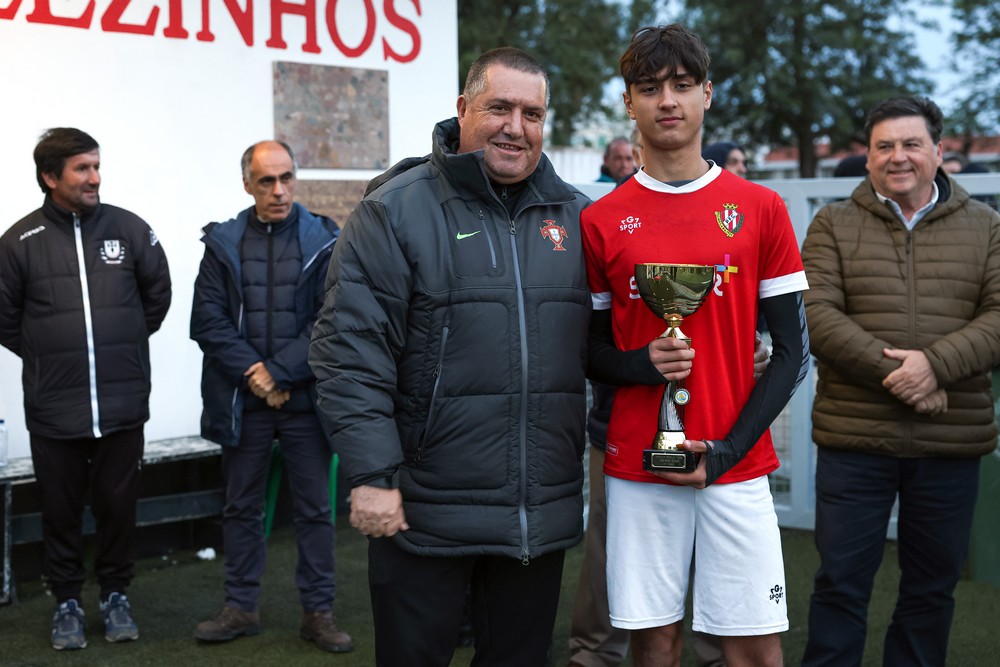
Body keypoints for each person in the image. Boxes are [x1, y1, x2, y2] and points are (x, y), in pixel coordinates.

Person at [307, 47, 678, 667]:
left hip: (536, 511)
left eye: (532, 113)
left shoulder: (576, 216)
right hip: (423, 508)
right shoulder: (393, 210)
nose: (515, 126)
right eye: (499, 107)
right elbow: (350, 354)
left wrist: (656, 359)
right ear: (463, 109)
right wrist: (373, 474)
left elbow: (594, 345)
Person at [580, 24, 810, 667]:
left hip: (736, 462)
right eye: (650, 89)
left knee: (754, 647)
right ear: (629, 103)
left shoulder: (760, 208)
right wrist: (641, 365)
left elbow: (793, 351)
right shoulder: (599, 220)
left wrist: (730, 451)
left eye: (682, 85)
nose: (668, 101)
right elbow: (590, 352)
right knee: (654, 640)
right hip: (640, 463)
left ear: (707, 94)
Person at [800, 96, 1000, 667]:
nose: (898, 156)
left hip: (951, 444)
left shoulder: (988, 228)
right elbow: (816, 315)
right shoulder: (833, 223)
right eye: (884, 145)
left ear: (938, 152)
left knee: (930, 592)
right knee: (840, 585)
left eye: (911, 144)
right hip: (854, 443)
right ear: (867, 158)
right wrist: (906, 373)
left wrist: (936, 364)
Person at [0, 128, 171, 650]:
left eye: (96, 166)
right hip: (55, 409)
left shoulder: (130, 229)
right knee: (60, 511)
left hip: (122, 406)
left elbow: (156, 298)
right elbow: (6, 321)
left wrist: (115, 350)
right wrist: (55, 355)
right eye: (82, 169)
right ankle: (67, 602)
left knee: (119, 510)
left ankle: (116, 594)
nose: (95, 177)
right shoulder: (18, 243)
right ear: (51, 177)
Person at [190, 141, 352, 653]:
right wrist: (253, 375)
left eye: (285, 178)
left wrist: (279, 373)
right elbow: (207, 321)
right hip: (244, 401)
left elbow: (332, 320)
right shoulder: (222, 242)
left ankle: (318, 613)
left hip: (304, 403)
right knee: (240, 509)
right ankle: (240, 608)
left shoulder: (325, 238)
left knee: (315, 512)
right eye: (266, 181)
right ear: (247, 184)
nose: (278, 190)